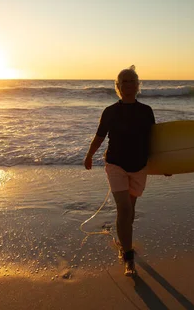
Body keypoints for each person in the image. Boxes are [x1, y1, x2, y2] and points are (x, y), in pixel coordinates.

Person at [84, 65, 165, 276]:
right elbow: (100, 136)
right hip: (115, 164)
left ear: (138, 85)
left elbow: (153, 141)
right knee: (125, 209)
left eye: (132, 81)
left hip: (139, 166)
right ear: (118, 87)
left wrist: (165, 164)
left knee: (130, 209)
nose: (128, 84)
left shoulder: (146, 111)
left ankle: (124, 239)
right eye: (124, 81)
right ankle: (128, 257)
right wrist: (90, 154)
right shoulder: (110, 112)